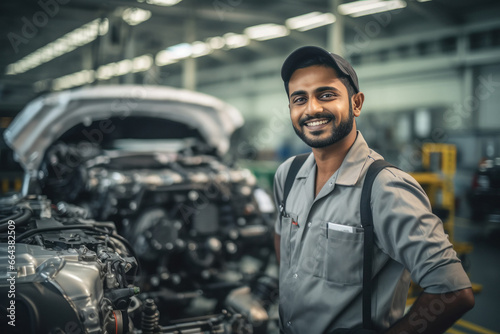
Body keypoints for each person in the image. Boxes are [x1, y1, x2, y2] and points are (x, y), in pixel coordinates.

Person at [273, 46, 474, 334]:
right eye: (299, 99)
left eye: (326, 95)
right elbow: (282, 238)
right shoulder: (288, 174)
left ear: (356, 103)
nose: (312, 109)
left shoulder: (386, 188)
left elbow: (452, 291)